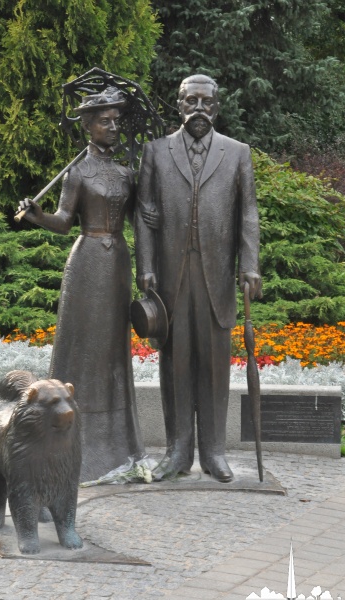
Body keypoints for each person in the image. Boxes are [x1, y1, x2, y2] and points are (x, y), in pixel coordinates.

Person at [135, 74, 261, 482]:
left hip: (216, 278)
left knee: (213, 365)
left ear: (218, 107)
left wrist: (250, 265)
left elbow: (248, 214)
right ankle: (176, 452)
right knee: (174, 363)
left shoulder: (237, 152)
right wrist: (146, 265)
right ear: (179, 105)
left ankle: (213, 452)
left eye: (207, 103)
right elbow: (144, 212)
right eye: (192, 102)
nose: (199, 110)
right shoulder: (154, 152)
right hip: (170, 278)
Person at [17, 88, 144, 482]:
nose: (112, 126)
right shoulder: (77, 172)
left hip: (119, 261)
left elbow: (144, 219)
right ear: (88, 126)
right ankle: (71, 441)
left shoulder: (126, 172)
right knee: (83, 345)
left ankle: (118, 443)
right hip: (87, 259)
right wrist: (39, 216)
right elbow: (64, 220)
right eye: (104, 121)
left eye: (116, 121)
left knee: (111, 350)